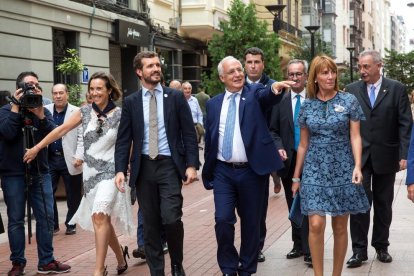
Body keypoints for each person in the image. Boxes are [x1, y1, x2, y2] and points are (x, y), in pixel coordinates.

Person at [24, 72, 134, 276]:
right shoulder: (84, 112)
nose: (94, 93)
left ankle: (99, 270)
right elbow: (60, 130)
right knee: (103, 221)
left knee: (99, 215)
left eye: (99, 88)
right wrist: (37, 147)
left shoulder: (120, 114)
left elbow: (129, 143)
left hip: (111, 171)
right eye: (92, 89)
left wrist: (128, 169)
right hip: (90, 174)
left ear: (109, 90)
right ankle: (120, 258)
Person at [202, 56, 292, 276]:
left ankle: (247, 268)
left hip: (252, 171)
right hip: (223, 171)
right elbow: (211, 137)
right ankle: (228, 267)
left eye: (239, 70)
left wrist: (275, 89)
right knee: (223, 219)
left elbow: (267, 95)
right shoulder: (213, 104)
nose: (238, 74)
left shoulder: (254, 94)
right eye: (231, 71)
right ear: (222, 77)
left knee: (251, 223)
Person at [114, 51, 199, 276]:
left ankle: (176, 264)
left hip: (169, 166)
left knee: (171, 218)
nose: (156, 69)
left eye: (157, 65)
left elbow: (189, 133)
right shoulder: (131, 102)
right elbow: (124, 140)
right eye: (150, 66)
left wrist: (191, 164)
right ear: (139, 72)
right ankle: (157, 272)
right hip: (144, 169)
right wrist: (120, 170)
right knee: (150, 224)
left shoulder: (176, 97)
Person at [291, 55, 370, 276]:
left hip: (343, 168)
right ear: (315, 77)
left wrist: (357, 166)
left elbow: (355, 137)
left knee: (339, 226)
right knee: (316, 224)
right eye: (325, 72)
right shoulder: (307, 106)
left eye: (333, 71)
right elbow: (303, 145)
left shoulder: (348, 101)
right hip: (314, 169)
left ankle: (336, 274)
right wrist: (296, 177)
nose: (330, 76)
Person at [345, 50, 412, 267]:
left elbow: (405, 124)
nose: (362, 71)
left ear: (378, 66)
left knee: (383, 204)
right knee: (359, 204)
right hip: (359, 159)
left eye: (366, 67)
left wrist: (403, 155)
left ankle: (381, 246)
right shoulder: (352, 90)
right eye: (360, 67)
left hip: (386, 155)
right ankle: (359, 250)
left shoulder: (396, 89)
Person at [0, 71, 71, 275]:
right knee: (15, 220)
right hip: (13, 174)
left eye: (36, 86)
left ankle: (46, 261)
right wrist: (15, 107)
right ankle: (17, 263)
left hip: (40, 172)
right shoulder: (5, 111)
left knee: (47, 217)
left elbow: (55, 135)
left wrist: (40, 115)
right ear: (19, 89)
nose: (34, 89)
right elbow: (7, 132)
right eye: (29, 86)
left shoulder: (42, 111)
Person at [269, 59, 311, 264]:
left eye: (299, 74)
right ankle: (298, 244)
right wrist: (278, 146)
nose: (295, 78)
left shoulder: (314, 98)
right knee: (293, 203)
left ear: (306, 76)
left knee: (311, 204)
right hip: (288, 162)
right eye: (291, 74)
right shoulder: (280, 101)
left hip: (312, 161)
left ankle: (311, 248)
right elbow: (273, 130)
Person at [243, 47, 281, 263]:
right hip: (238, 154)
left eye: (257, 61)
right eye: (249, 62)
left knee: (258, 205)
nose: (253, 65)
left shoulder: (271, 86)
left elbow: (270, 101)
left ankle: (257, 246)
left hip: (261, 152)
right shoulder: (237, 83)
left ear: (263, 64)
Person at [45, 84, 83, 235]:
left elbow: (81, 137)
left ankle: (71, 223)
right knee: (48, 192)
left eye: (61, 93)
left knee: (73, 194)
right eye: (55, 93)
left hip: (70, 158)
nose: (58, 96)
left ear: (67, 94)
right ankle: (53, 224)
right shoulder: (45, 110)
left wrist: (79, 156)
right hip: (50, 159)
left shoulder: (77, 111)